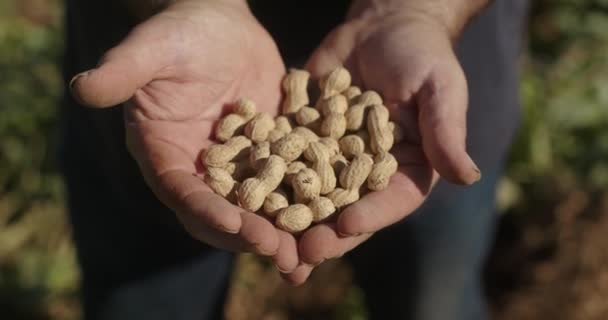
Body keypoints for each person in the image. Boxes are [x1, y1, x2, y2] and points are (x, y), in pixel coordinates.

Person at [62, 0, 528, 319]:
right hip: (181, 73)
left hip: (416, 63)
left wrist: (417, 9)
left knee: (434, 298)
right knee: (146, 298)